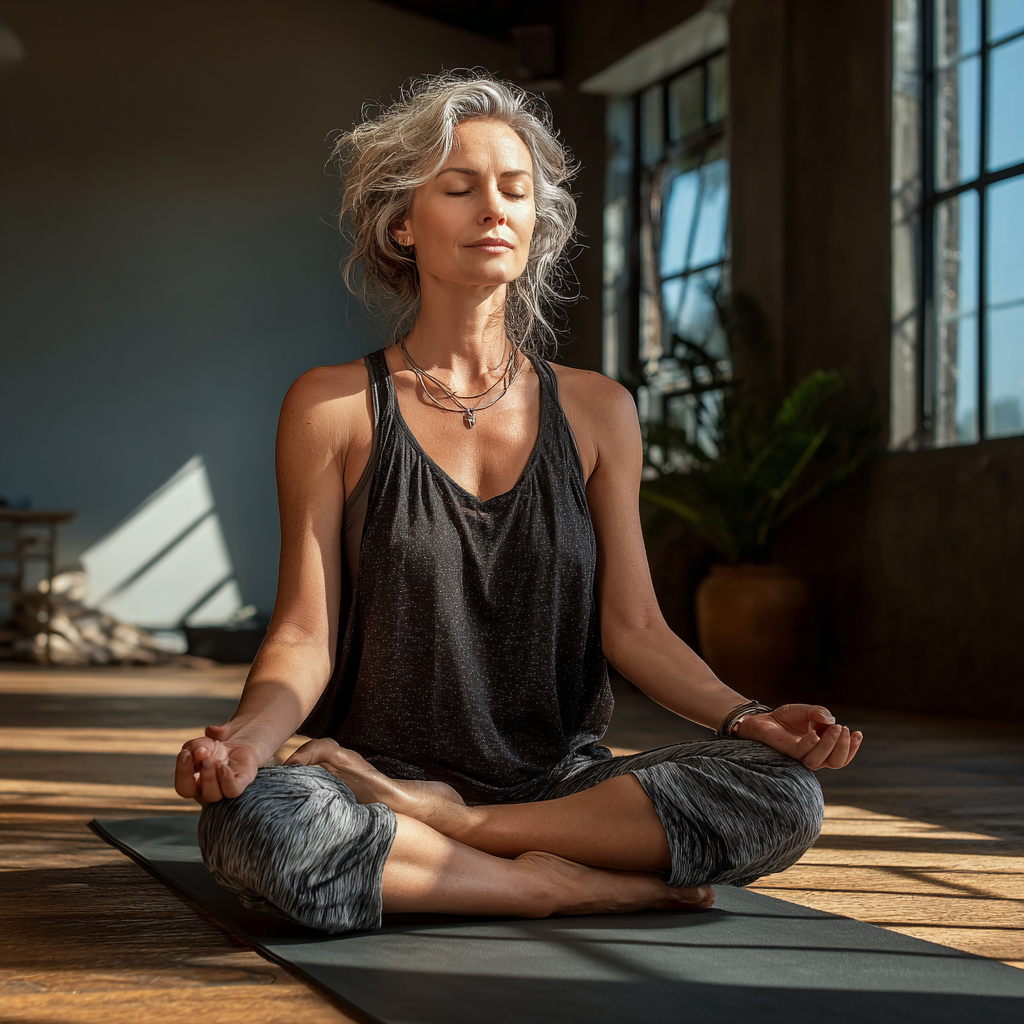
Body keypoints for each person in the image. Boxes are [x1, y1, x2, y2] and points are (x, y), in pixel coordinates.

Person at [174, 73, 863, 934]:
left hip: (559, 787)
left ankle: (466, 840)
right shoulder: (332, 408)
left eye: (515, 190)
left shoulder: (599, 409)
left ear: (537, 224)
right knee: (262, 820)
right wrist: (245, 738)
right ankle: (555, 887)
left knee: (784, 796)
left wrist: (748, 717)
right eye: (458, 188)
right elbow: (305, 634)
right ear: (402, 224)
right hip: (366, 777)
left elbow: (635, 629)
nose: (492, 209)